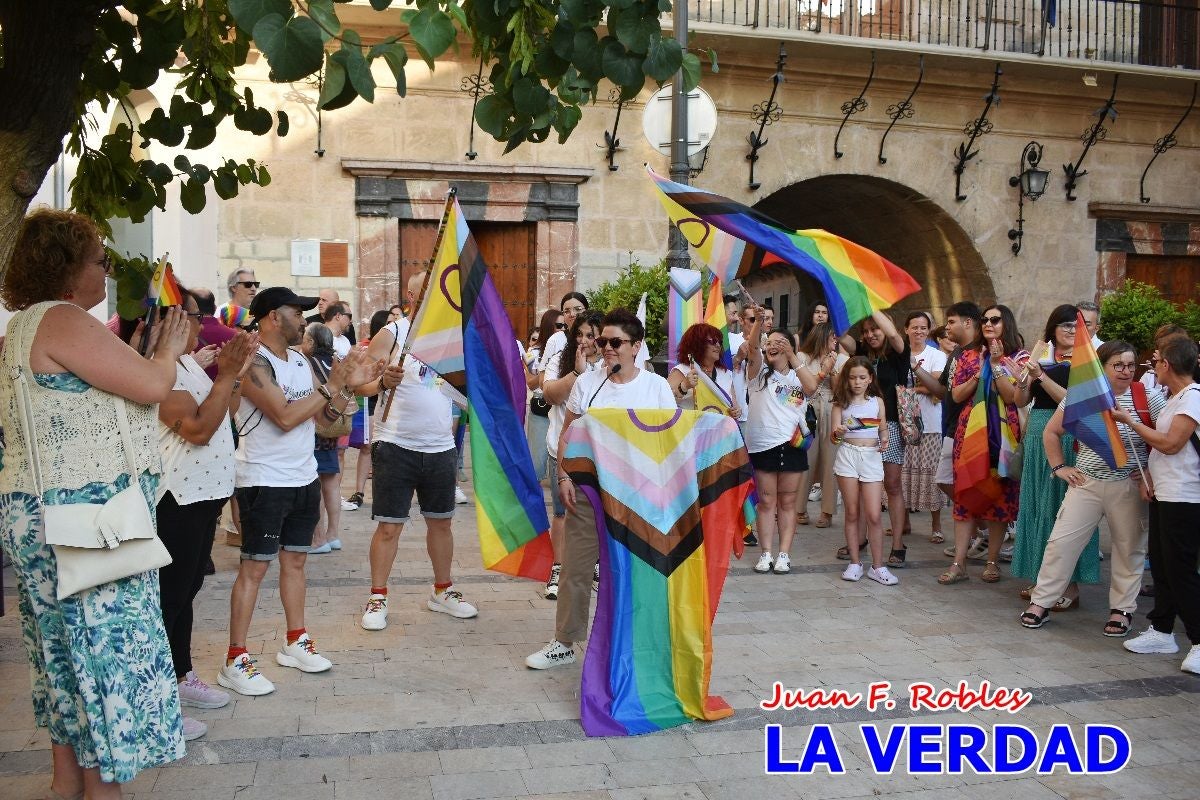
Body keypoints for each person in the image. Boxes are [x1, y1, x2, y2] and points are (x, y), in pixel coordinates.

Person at [0, 208, 192, 798]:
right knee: (102, 655)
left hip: (37, 511)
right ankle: (101, 791)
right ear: (66, 269)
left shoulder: (21, 329)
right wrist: (170, 347)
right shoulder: (61, 319)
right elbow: (155, 387)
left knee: (61, 653)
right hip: (87, 517)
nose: (106, 272)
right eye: (99, 261)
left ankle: (67, 783)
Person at [218, 287, 379, 697]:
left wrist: (347, 389)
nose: (305, 320)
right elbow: (287, 416)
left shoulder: (299, 360)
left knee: (296, 564)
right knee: (254, 569)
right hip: (263, 479)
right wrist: (334, 384)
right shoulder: (255, 362)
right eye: (297, 312)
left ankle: (295, 640)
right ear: (273, 316)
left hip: (302, 476)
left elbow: (323, 418)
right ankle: (236, 657)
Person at [526, 308, 676, 668]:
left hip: (637, 497)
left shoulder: (655, 387)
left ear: (636, 346)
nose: (606, 348)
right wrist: (563, 476)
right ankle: (564, 642)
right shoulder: (587, 382)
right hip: (588, 491)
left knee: (636, 571)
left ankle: (637, 642)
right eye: (602, 340)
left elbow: (671, 439)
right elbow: (569, 434)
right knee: (575, 570)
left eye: (615, 342)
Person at [154, 289, 258, 741]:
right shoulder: (156, 372)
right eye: (193, 317)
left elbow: (226, 414)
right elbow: (196, 430)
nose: (200, 325)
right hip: (176, 498)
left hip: (205, 495)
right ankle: (156, 700)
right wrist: (228, 374)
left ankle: (181, 675)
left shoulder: (191, 363)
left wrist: (236, 376)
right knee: (169, 598)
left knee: (189, 587)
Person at [357, 291, 480, 631]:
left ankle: (443, 590)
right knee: (389, 526)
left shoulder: (455, 337)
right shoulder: (395, 332)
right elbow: (360, 383)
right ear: (413, 295)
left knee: (441, 523)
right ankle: (377, 596)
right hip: (396, 444)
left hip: (440, 446)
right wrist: (382, 381)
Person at [1021, 341, 1164, 632]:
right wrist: (1060, 467)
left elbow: (1167, 439)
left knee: (1129, 549)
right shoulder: (1081, 396)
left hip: (1128, 485)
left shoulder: (1147, 396)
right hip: (1086, 482)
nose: (1126, 371)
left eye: (1131, 365)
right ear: (1101, 366)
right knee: (1061, 542)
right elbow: (1051, 432)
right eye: (1118, 365)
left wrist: (1150, 470)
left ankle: (1121, 611)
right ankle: (1042, 602)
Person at [1111, 335, 1200, 672]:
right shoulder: (1176, 397)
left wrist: (1131, 422)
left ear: (1169, 365)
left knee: (1181, 570)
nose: (1152, 365)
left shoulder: (1192, 398)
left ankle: (1198, 638)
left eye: (1158, 360)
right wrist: (1148, 476)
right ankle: (1163, 630)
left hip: (1185, 496)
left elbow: (1171, 444)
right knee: (1163, 566)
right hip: (1165, 492)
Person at [1012, 305, 1099, 608]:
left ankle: (1070, 587)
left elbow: (1074, 402)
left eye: (1075, 326)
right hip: (1038, 431)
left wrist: (1042, 378)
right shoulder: (1040, 354)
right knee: (1038, 503)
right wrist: (1023, 379)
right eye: (1063, 324)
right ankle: (1044, 579)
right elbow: (1020, 399)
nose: (1070, 330)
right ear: (1052, 327)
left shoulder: (1087, 361)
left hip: (1067, 432)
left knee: (1064, 509)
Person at [940, 303, 1030, 585]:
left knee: (1000, 497)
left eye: (995, 319)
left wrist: (997, 365)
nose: (988, 323)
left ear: (1008, 324)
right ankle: (959, 563)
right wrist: (979, 373)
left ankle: (992, 561)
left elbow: (1013, 397)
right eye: (985, 319)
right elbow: (955, 395)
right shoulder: (967, 355)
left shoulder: (1021, 357)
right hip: (970, 431)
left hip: (1004, 433)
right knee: (966, 492)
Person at [742, 313, 819, 575]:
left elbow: (810, 389)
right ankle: (765, 553)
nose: (771, 345)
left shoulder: (798, 376)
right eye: (769, 342)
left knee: (788, 503)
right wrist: (757, 324)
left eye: (779, 342)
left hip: (793, 445)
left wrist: (794, 357)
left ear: (789, 348)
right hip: (763, 446)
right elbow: (753, 349)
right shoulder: (758, 373)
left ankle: (784, 554)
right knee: (766, 502)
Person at [541, 310, 605, 600]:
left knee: (600, 513)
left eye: (590, 335)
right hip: (563, 450)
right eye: (579, 334)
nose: (584, 341)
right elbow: (550, 394)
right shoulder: (560, 360)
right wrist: (577, 373)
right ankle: (558, 566)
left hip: (600, 457)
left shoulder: (609, 365)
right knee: (562, 512)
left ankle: (596, 564)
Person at [831, 356, 897, 585]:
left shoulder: (877, 402)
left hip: (871, 457)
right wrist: (838, 432)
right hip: (847, 455)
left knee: (874, 514)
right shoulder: (840, 403)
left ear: (870, 378)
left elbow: (883, 427)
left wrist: (885, 439)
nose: (857, 382)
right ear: (846, 380)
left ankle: (878, 566)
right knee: (851, 512)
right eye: (852, 378)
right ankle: (855, 562)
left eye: (862, 377)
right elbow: (833, 437)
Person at [852, 311, 910, 567]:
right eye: (865, 330)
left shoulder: (897, 354)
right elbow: (842, 337)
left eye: (875, 329)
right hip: (862, 428)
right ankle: (860, 540)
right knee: (864, 484)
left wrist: (870, 303)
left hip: (892, 426)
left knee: (893, 485)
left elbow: (895, 336)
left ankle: (898, 544)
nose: (870, 334)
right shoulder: (861, 357)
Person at [900, 311, 948, 541]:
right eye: (914, 327)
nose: (918, 331)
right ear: (906, 329)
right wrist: (921, 385)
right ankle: (904, 523)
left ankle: (936, 526)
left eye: (923, 327)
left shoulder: (936, 355)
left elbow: (936, 385)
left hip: (930, 424)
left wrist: (910, 389)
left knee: (931, 474)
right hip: (904, 421)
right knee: (903, 474)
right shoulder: (899, 354)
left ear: (928, 331)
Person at [794, 322, 845, 528]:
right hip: (809, 412)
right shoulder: (802, 358)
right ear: (822, 336)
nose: (836, 340)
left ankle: (827, 511)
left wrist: (832, 370)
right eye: (832, 336)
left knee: (830, 462)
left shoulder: (841, 359)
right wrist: (822, 370)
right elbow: (802, 389)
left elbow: (840, 391)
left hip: (832, 411)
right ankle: (799, 508)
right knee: (806, 460)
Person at [299, 323, 344, 554]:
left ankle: (317, 539)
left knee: (314, 483)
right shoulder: (335, 362)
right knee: (330, 482)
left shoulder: (307, 363)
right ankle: (333, 535)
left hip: (317, 429)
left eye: (305, 338)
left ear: (312, 342)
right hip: (333, 430)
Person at [344, 310, 394, 511]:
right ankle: (359, 491)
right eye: (390, 321)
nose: (394, 324)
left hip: (390, 404)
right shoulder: (369, 348)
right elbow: (363, 382)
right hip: (371, 403)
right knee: (367, 448)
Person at [669, 322, 742, 419]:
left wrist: (736, 411)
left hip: (720, 431)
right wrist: (684, 386)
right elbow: (664, 402)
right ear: (698, 344)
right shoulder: (681, 370)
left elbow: (733, 405)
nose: (718, 345)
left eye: (720, 342)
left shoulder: (725, 373)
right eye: (713, 341)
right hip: (691, 431)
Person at [526, 308, 564, 484]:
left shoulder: (570, 349)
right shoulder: (533, 353)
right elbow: (531, 382)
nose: (562, 329)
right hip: (542, 406)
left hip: (561, 407)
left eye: (564, 325)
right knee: (537, 460)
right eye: (558, 325)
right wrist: (546, 371)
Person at [538, 291, 588, 376]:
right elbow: (542, 380)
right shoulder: (555, 340)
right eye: (567, 311)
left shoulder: (598, 338)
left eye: (578, 309)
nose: (572, 314)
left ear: (587, 310)